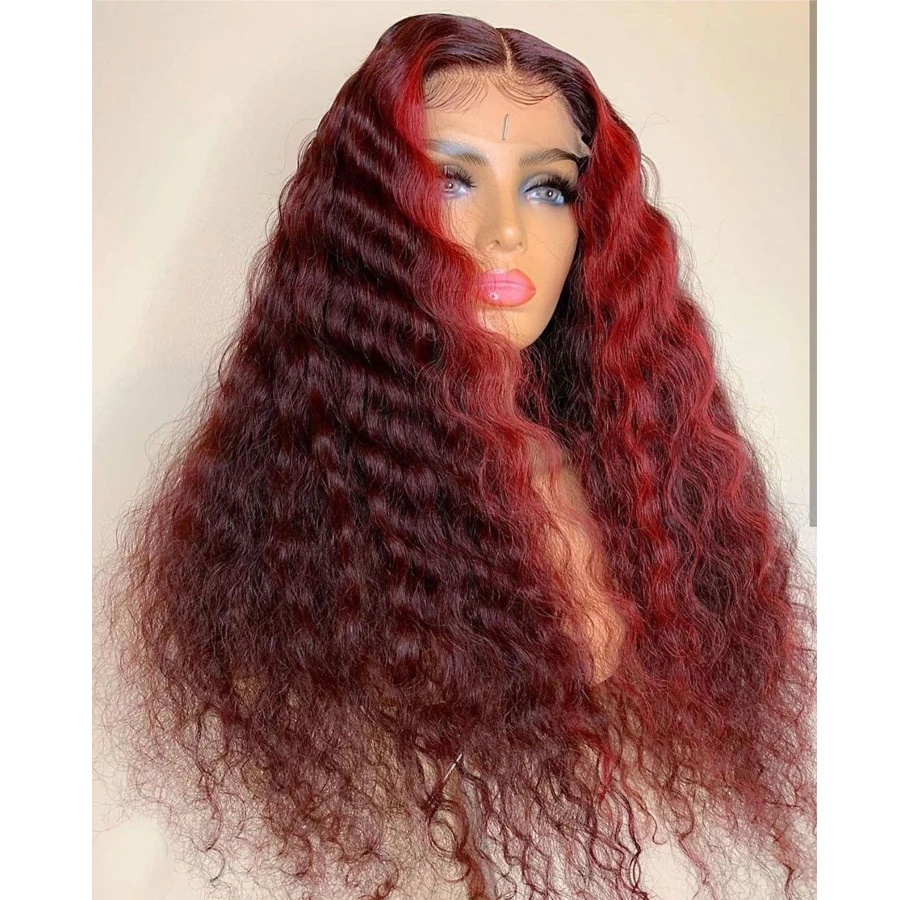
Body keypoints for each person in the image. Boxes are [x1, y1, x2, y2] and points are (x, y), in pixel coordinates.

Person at [97, 12, 816, 900]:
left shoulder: (644, 481)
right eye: (452, 179)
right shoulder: (299, 511)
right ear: (370, 218)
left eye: (547, 187)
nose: (507, 232)